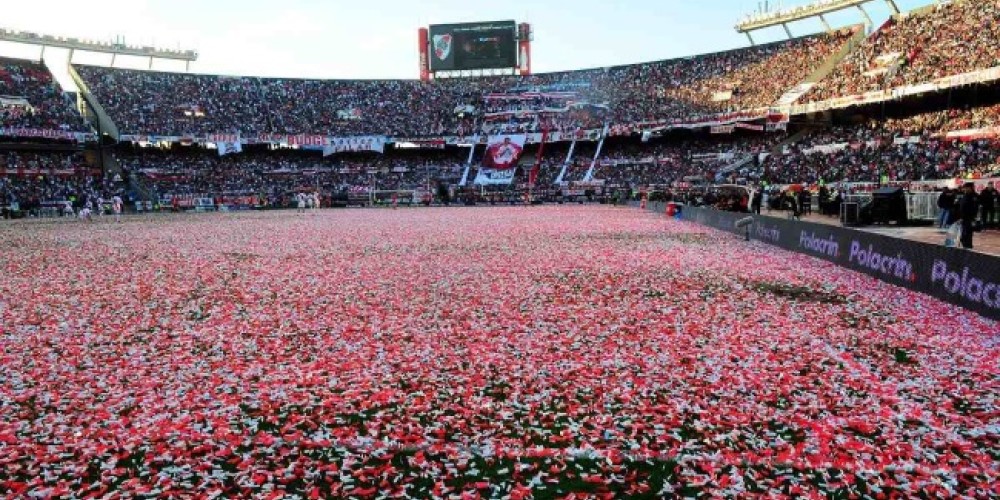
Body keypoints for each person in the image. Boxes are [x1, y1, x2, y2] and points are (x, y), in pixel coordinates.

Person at [958, 183, 979, 249]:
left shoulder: (974, 196)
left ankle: (968, 246)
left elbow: (974, 208)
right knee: (964, 234)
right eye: (964, 188)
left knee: (968, 233)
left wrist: (973, 217)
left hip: (969, 217)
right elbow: (962, 206)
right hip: (964, 217)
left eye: (966, 188)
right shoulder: (965, 195)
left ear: (970, 188)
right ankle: (966, 245)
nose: (965, 189)